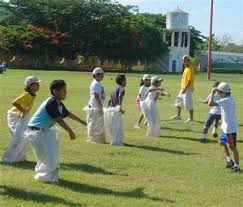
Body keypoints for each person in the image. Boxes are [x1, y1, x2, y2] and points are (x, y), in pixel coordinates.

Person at [25, 80, 87, 183]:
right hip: (35, 132)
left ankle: (48, 176)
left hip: (43, 131)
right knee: (45, 156)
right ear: (55, 91)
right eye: (63, 90)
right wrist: (70, 131)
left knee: (51, 155)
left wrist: (81, 121)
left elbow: (67, 113)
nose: (65, 93)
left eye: (65, 90)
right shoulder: (51, 102)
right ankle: (43, 177)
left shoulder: (58, 104)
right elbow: (58, 119)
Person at [2, 76, 41, 163]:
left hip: (23, 116)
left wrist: (24, 113)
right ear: (30, 85)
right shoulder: (26, 94)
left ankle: (19, 157)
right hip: (15, 116)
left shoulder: (32, 95)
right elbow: (14, 102)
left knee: (26, 136)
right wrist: (23, 111)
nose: (39, 85)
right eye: (37, 84)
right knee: (18, 137)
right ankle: (8, 158)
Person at [208, 82, 240, 173]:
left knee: (233, 147)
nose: (218, 94)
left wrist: (212, 92)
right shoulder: (227, 99)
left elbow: (210, 103)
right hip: (227, 127)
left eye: (219, 92)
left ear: (224, 92)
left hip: (230, 129)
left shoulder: (226, 100)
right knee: (221, 142)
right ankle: (229, 161)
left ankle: (237, 167)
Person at [84, 67, 106, 144]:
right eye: (102, 75)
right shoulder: (96, 84)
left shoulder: (97, 83)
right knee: (94, 123)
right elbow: (96, 95)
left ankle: (96, 138)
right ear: (97, 75)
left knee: (96, 122)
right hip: (95, 106)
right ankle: (93, 139)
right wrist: (100, 107)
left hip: (95, 106)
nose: (103, 76)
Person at [104, 74, 126, 146]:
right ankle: (116, 142)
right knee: (117, 127)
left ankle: (113, 140)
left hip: (110, 109)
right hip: (116, 110)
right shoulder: (122, 88)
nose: (126, 82)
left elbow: (110, 100)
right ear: (122, 81)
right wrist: (119, 107)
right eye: (125, 80)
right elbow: (120, 95)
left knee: (112, 126)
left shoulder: (114, 88)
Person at [171, 55, 195, 122]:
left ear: (188, 61)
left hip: (187, 89)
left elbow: (190, 80)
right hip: (183, 88)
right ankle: (178, 116)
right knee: (178, 101)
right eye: (183, 61)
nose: (183, 62)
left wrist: (185, 89)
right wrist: (183, 88)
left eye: (185, 61)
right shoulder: (186, 68)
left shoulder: (190, 68)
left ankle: (191, 118)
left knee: (188, 103)